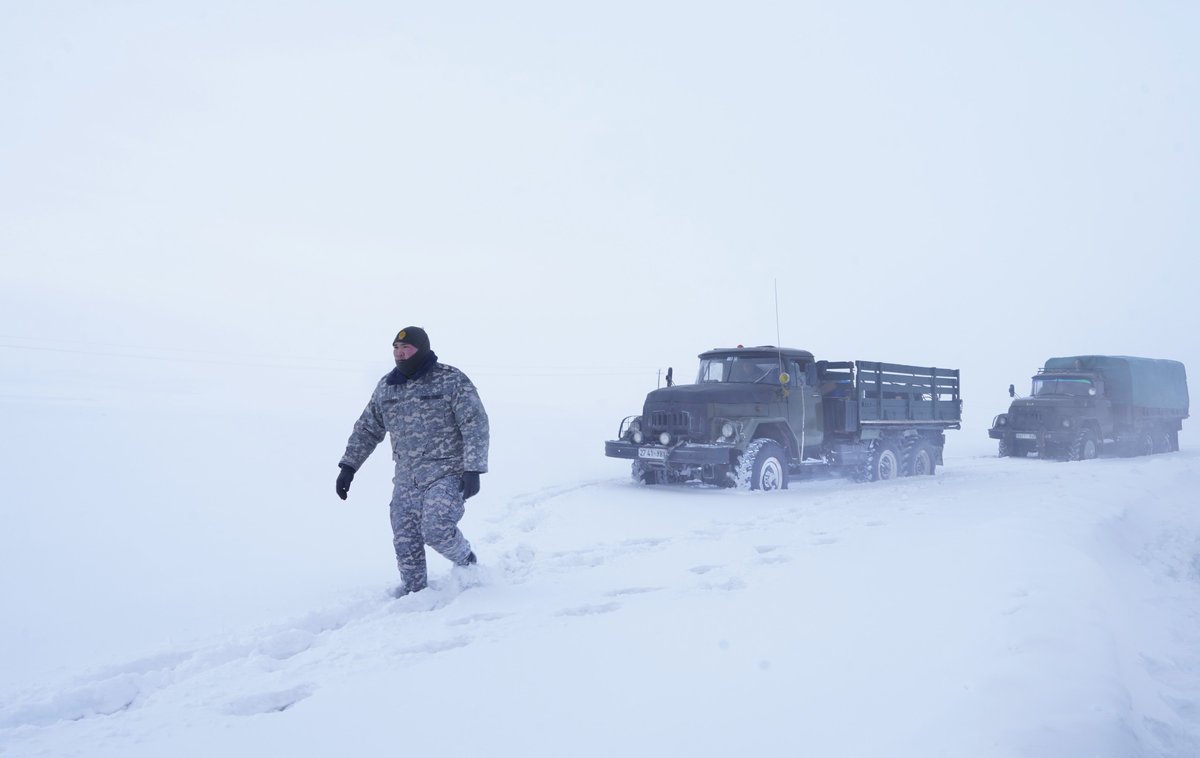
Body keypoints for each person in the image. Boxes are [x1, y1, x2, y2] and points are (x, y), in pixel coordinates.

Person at [335, 326, 489, 597]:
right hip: (407, 477)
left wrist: (473, 468)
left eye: (406, 347)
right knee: (405, 540)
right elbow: (368, 428)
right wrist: (349, 466)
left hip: (447, 472)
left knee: (436, 529)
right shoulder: (387, 387)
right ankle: (414, 596)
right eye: (395, 347)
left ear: (422, 349)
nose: (400, 352)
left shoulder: (451, 380)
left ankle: (467, 560)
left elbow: (474, 423)